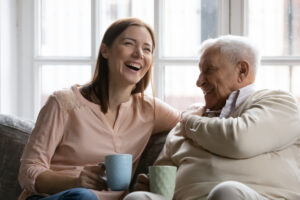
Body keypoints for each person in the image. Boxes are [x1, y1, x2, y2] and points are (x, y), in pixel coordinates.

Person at [18, 18, 180, 200]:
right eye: (129, 44)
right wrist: (74, 183)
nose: (139, 54)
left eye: (147, 49)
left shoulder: (150, 110)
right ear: (105, 50)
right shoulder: (63, 103)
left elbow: (191, 121)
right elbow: (28, 170)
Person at [125, 35, 300, 200]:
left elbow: (239, 140)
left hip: (253, 196)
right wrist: (149, 185)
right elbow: (162, 173)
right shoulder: (189, 121)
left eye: (208, 70)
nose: (199, 81)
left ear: (242, 70)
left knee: (227, 192)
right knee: (137, 198)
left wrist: (189, 122)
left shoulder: (279, 102)